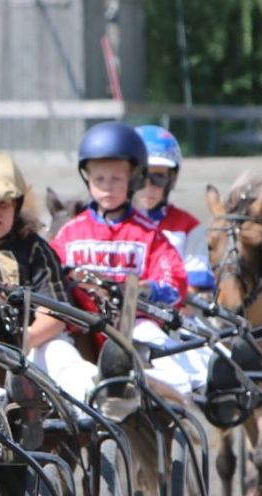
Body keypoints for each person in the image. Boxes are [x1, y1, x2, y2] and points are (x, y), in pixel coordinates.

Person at [51, 121, 209, 400]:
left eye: (117, 179)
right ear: (87, 179)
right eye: (99, 179)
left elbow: (174, 283)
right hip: (81, 327)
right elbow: (49, 276)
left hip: (136, 324)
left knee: (178, 374)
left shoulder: (148, 234)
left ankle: (141, 395)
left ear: (133, 180)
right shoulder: (69, 233)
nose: (108, 188)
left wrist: (146, 290)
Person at [0, 151, 97, 403]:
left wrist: (20, 345)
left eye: (3, 204)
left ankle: (92, 411)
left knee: (64, 357)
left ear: (17, 205)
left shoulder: (34, 247)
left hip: (32, 343)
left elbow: (56, 314)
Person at [134, 124, 214, 292]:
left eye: (158, 177)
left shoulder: (189, 226)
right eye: (141, 176)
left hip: (172, 312)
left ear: (172, 179)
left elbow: (194, 288)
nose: (149, 186)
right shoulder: (111, 223)